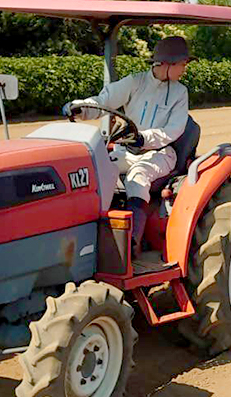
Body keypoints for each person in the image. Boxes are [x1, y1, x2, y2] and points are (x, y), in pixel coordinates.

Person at [64, 35, 191, 252]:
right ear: (168, 64)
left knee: (137, 177)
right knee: (99, 170)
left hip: (160, 153)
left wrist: (145, 138)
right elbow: (103, 101)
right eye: (182, 65)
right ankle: (90, 231)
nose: (184, 70)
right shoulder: (135, 82)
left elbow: (174, 130)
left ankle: (130, 243)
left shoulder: (180, 92)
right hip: (128, 150)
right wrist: (80, 108)